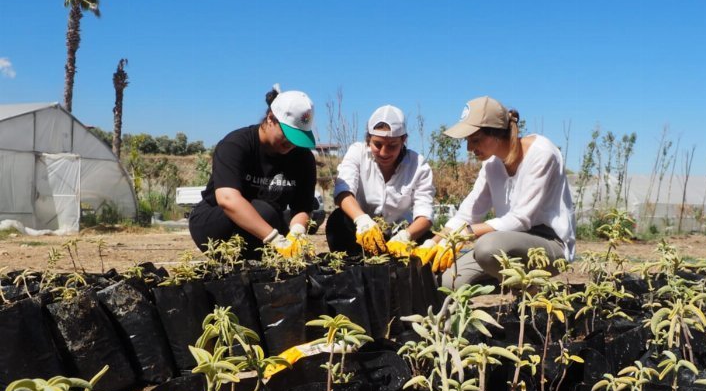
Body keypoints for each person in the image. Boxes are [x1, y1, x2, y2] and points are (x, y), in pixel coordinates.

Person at [417, 96, 575, 288]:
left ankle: (533, 297)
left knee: (487, 247)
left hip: (550, 243)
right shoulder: (491, 164)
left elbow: (521, 219)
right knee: (447, 282)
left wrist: (465, 234)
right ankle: (501, 275)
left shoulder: (542, 153)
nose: (469, 148)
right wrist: (433, 243)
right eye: (467, 140)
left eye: (475, 140)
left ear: (497, 134)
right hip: (506, 243)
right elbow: (467, 214)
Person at [189, 87, 318, 260]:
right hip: (214, 222)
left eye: (298, 137)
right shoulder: (236, 144)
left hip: (265, 226)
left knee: (273, 217)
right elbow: (228, 200)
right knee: (266, 211)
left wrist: (297, 232)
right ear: (271, 119)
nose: (292, 144)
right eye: (289, 135)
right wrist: (276, 240)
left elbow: (303, 207)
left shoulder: (303, 158)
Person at [326, 104, 435, 257]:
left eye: (392, 146)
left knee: (426, 242)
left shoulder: (418, 165)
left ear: (403, 140)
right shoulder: (357, 152)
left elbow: (425, 215)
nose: (384, 152)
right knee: (337, 222)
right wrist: (362, 219)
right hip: (362, 234)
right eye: (377, 144)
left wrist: (406, 236)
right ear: (368, 139)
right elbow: (343, 191)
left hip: (400, 234)